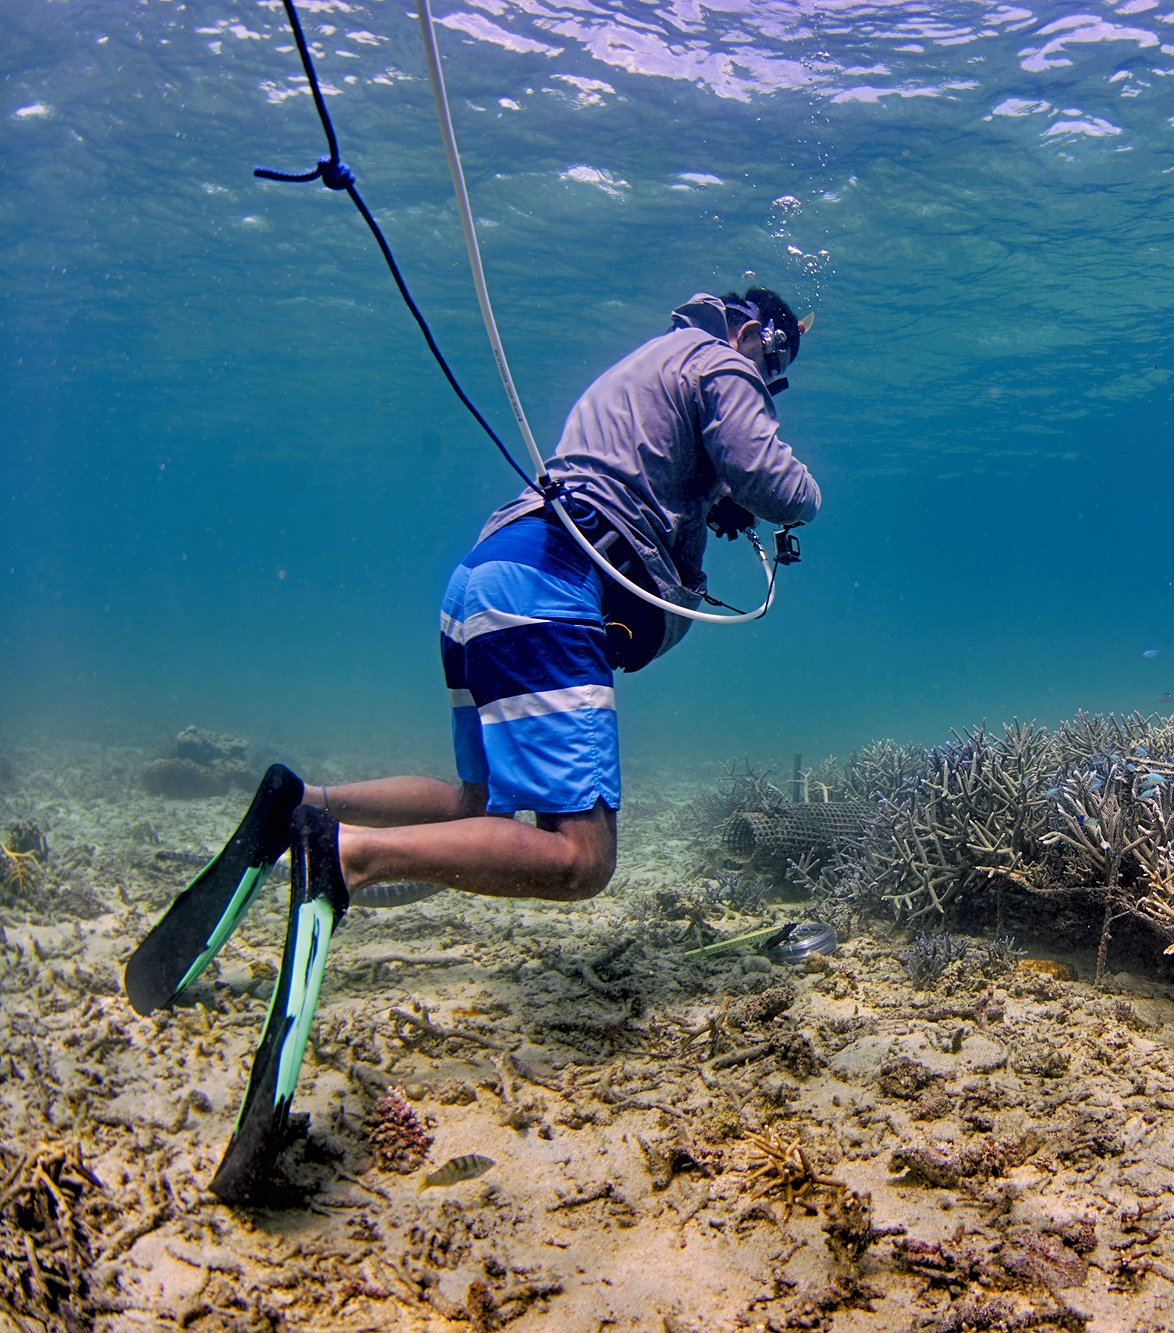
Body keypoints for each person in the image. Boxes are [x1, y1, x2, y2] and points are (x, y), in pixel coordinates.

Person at [125, 287, 822, 1200]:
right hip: (553, 586)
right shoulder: (720, 359)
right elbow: (780, 484)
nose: (771, 378)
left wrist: (709, 494)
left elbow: (660, 477)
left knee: (482, 801)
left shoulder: (646, 369)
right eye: (776, 360)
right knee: (579, 858)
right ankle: (346, 858)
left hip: (489, 572)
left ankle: (304, 805)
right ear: (751, 330)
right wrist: (795, 494)